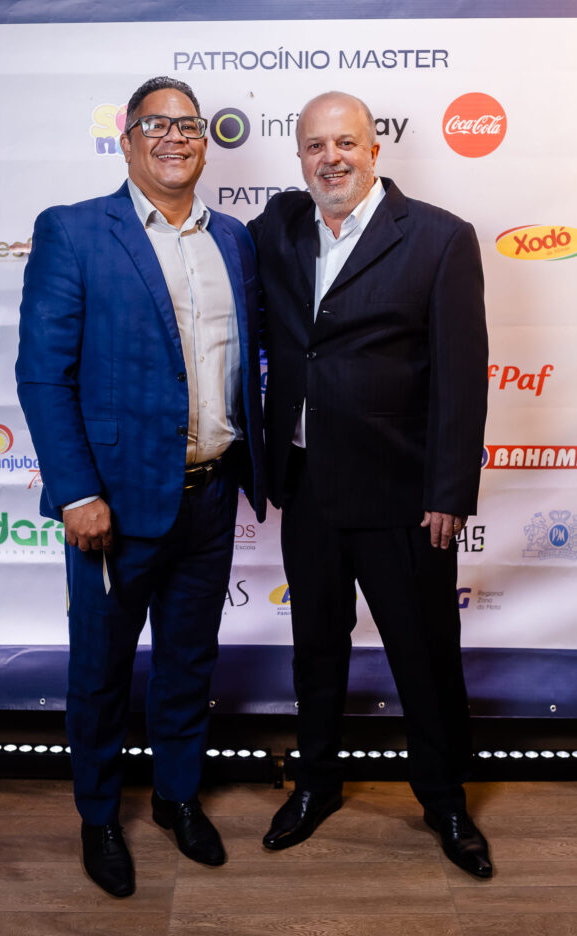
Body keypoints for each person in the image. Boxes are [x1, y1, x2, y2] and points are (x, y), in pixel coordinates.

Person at [16, 76, 265, 897]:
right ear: (126, 141)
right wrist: (75, 492)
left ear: (205, 144)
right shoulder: (75, 231)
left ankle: (176, 798)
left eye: (188, 125)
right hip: (112, 505)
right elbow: (43, 375)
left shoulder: (234, 240)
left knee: (189, 662)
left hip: (210, 496)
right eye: (155, 124)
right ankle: (97, 817)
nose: (173, 137)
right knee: (100, 672)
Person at [249, 91, 491, 879]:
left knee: (424, 656)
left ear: (373, 148)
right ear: (299, 158)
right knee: (314, 651)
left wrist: (448, 491)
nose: (331, 159)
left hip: (402, 496)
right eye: (314, 146)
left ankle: (444, 801)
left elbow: (461, 376)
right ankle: (315, 784)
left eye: (345, 142)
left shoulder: (439, 238)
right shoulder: (279, 226)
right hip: (307, 487)